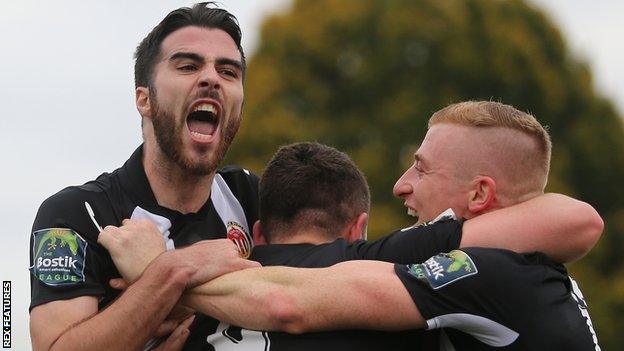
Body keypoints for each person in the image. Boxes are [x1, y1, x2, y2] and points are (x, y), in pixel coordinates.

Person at [103, 110, 602, 349]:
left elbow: (288, 303)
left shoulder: (486, 270)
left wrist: (159, 274)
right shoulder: (527, 267)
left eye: (422, 169)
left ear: (478, 196)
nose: (401, 186)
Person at [28, 3, 259, 351]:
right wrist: (172, 271)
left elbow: (312, 300)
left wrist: (159, 280)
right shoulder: (77, 213)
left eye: (229, 72)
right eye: (188, 66)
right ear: (144, 99)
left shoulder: (253, 197)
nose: (211, 78)